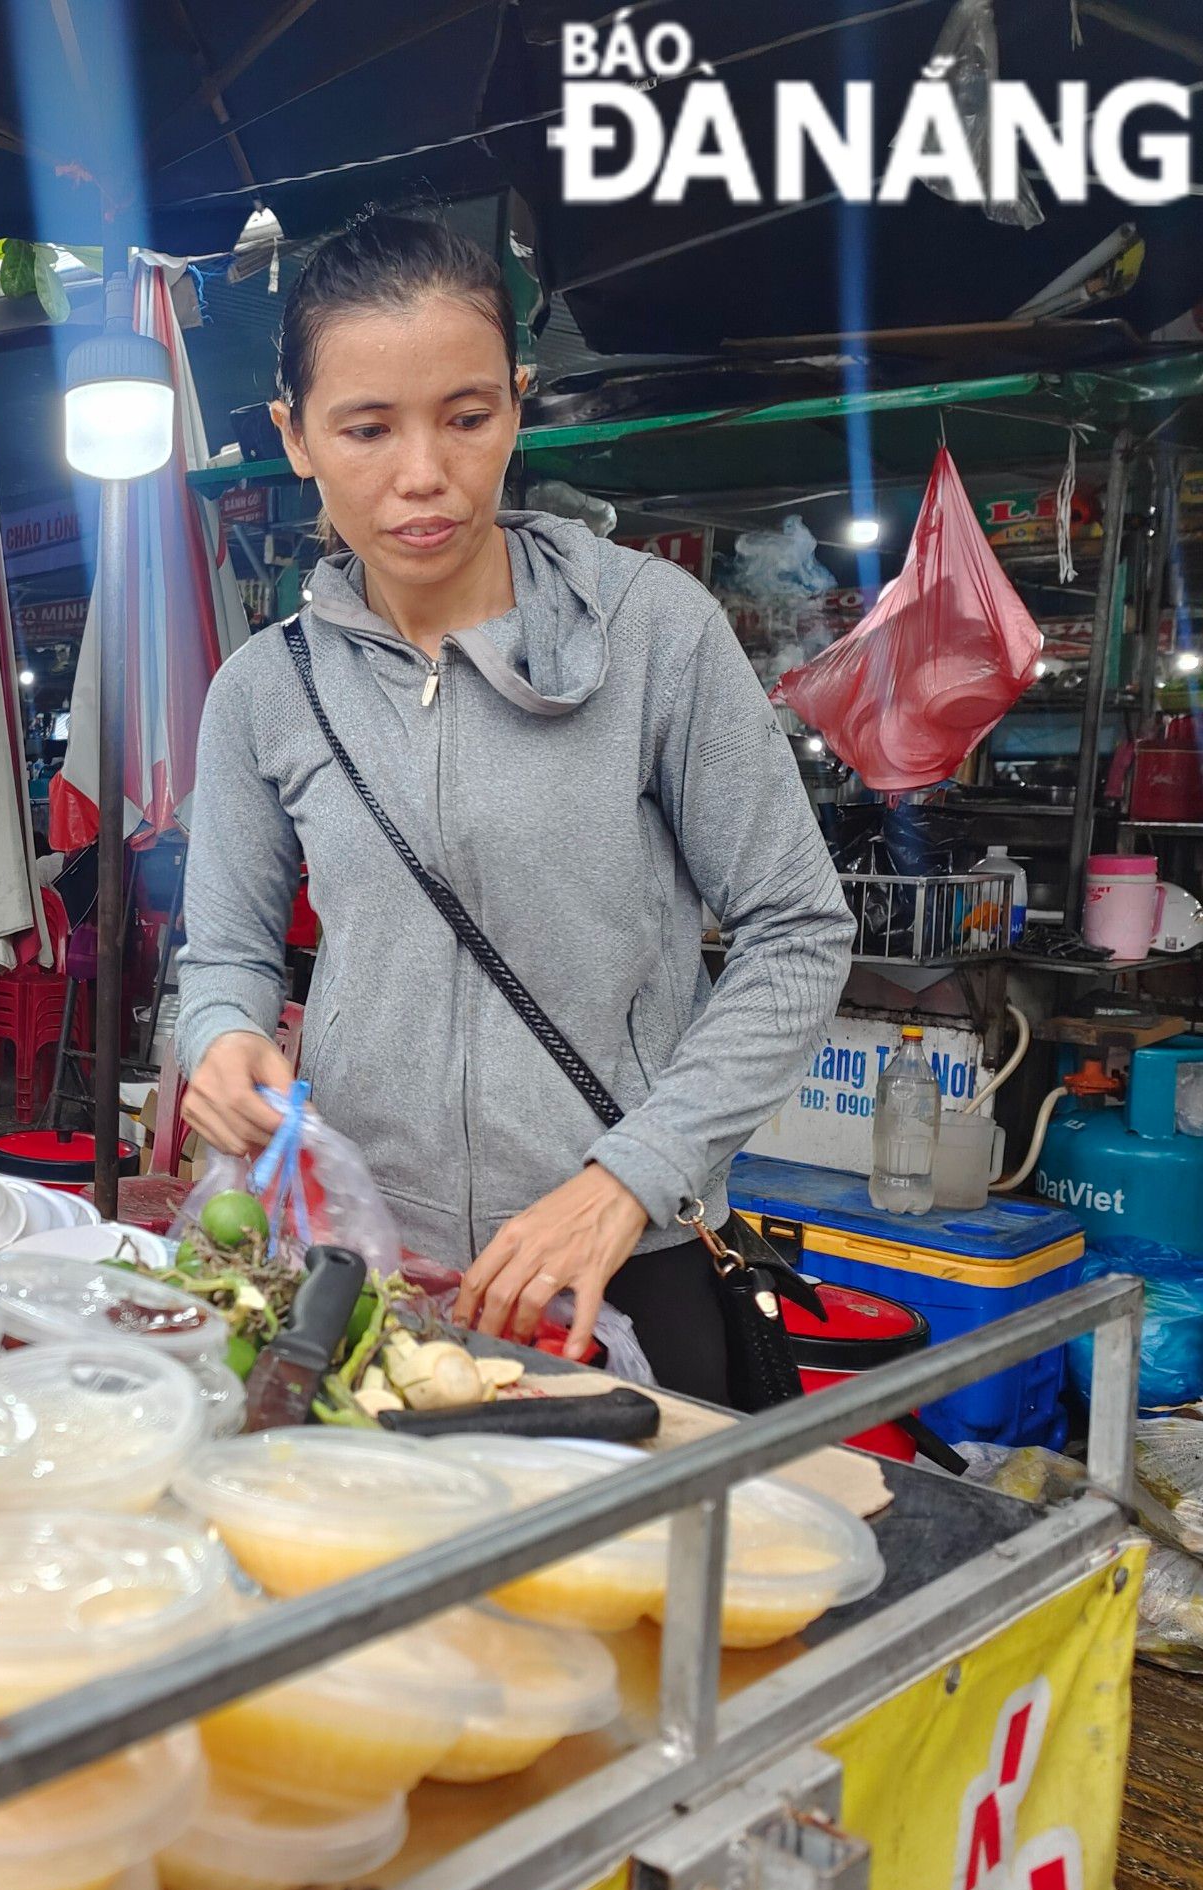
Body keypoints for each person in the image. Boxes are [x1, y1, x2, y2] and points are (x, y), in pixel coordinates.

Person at [175, 215, 853, 1406]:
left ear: (518, 404)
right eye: (367, 427)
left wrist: (631, 1177)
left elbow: (797, 932)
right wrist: (217, 1038)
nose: (423, 473)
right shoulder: (262, 691)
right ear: (293, 438)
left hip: (615, 1266)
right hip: (365, 1270)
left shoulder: (653, 631)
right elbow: (225, 950)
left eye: (467, 415)